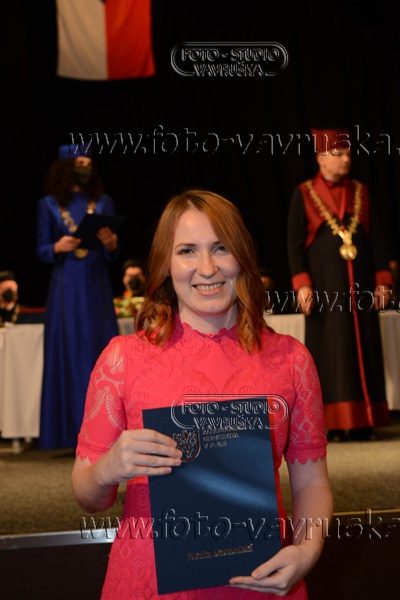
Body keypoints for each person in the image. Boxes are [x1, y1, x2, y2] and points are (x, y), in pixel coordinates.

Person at [72, 189, 333, 599]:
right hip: (151, 584)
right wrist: (107, 468)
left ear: (242, 257)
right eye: (187, 251)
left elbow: (311, 484)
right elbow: (88, 496)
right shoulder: (122, 360)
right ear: (165, 263)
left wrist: (308, 549)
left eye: (221, 248)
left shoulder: (291, 360)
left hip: (261, 581)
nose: (207, 268)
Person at [287, 127, 394, 442]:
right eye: (339, 154)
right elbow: (294, 244)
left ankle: (365, 420)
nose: (346, 159)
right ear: (321, 158)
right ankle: (335, 423)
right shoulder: (304, 193)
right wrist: (302, 284)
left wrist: (383, 279)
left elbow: (377, 239)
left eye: (348, 153)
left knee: (366, 347)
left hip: (361, 286)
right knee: (332, 351)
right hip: (325, 288)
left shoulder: (361, 191)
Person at [36, 142, 120, 449]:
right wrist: (56, 247)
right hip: (65, 291)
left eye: (89, 163)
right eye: (79, 163)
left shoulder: (104, 202)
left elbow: (113, 251)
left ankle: (108, 430)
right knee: (70, 354)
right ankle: (70, 431)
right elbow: (41, 249)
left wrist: (111, 245)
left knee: (100, 351)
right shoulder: (48, 204)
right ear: (65, 168)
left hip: (96, 287)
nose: (85, 167)